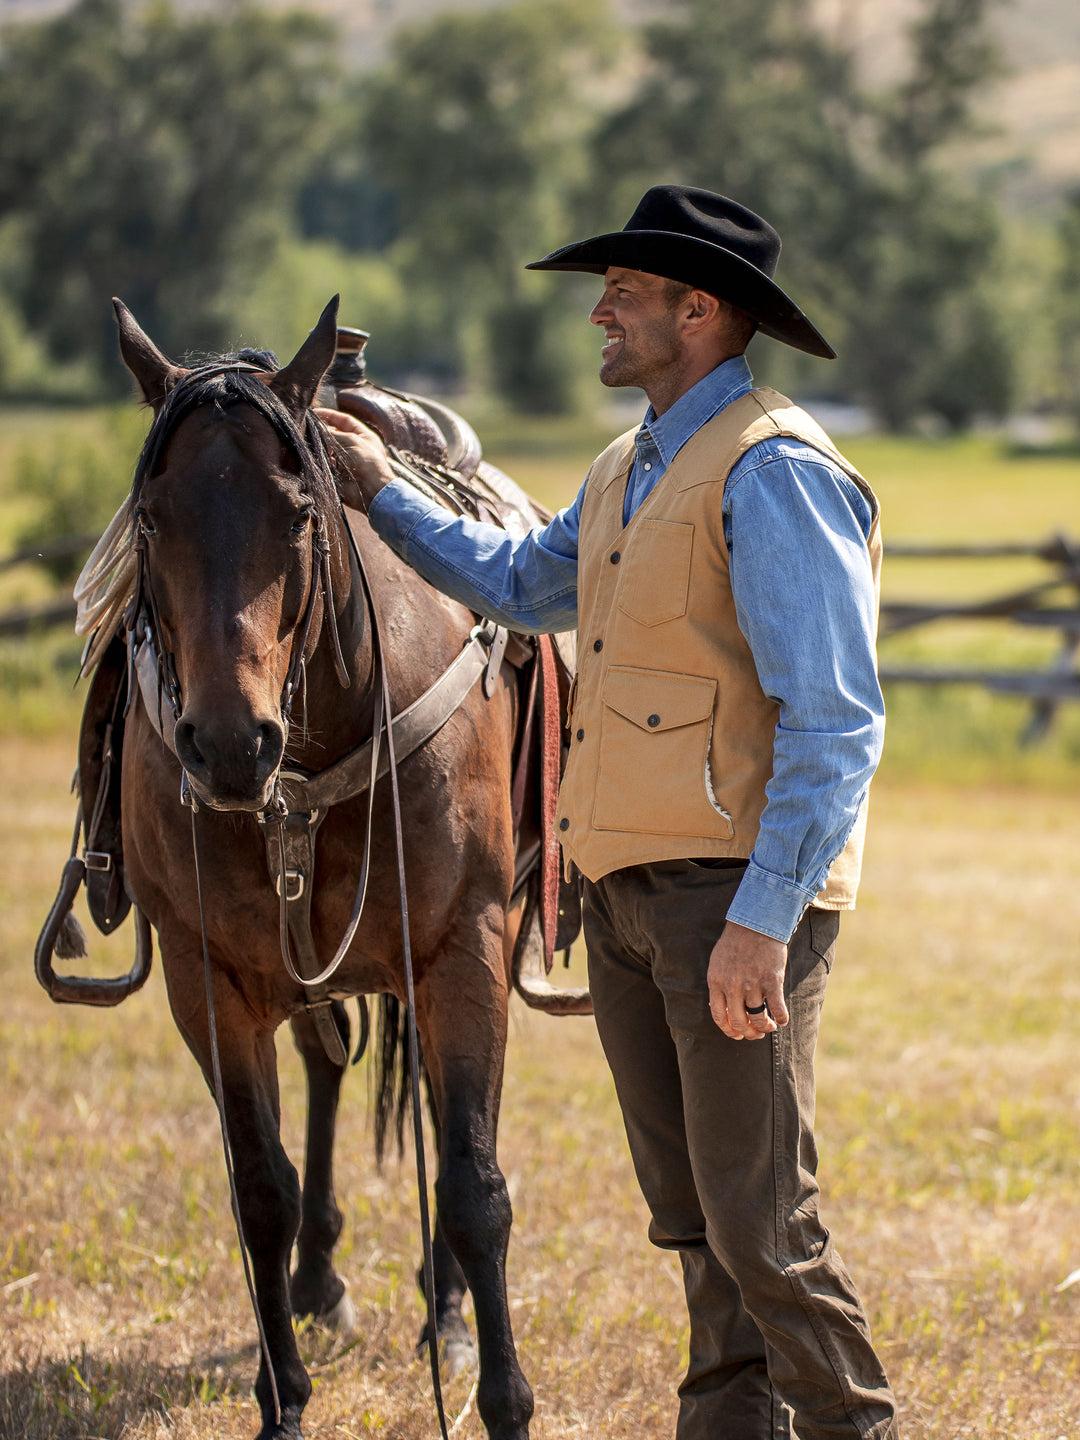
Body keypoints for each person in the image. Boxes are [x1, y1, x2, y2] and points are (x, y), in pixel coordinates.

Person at [319, 185, 899, 1440]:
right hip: (630, 896)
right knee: (693, 1217)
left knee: (764, 1227)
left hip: (729, 898)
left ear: (700, 311)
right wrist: (377, 495)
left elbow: (839, 722)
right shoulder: (630, 463)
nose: (599, 312)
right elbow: (526, 584)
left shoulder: (780, 469)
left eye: (622, 294)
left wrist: (761, 921)